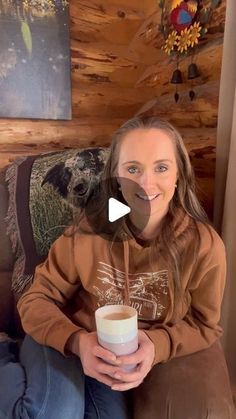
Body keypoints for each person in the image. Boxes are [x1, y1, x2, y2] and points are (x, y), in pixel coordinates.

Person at [0, 116, 235, 419]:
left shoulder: (204, 247)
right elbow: (35, 299)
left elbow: (205, 325)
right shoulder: (91, 230)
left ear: (179, 175)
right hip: (66, 338)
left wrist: (156, 344)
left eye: (161, 167)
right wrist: (77, 341)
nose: (146, 183)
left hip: (116, 360)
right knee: (55, 412)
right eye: (132, 169)